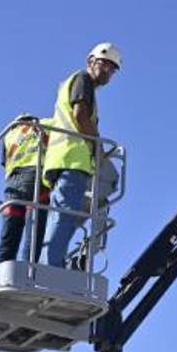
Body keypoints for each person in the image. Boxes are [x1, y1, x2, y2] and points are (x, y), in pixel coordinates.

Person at [40, 42, 122, 268]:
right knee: (64, 217)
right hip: (72, 162)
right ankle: (51, 268)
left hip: (66, 160)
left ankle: (49, 264)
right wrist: (97, 147)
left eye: (111, 69)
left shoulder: (75, 85)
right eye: (104, 64)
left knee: (62, 218)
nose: (107, 71)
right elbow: (80, 116)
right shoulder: (82, 80)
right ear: (90, 62)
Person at [0, 114, 53, 267]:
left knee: (9, 234)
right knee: (33, 232)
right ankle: (28, 269)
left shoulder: (9, 135)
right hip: (34, 177)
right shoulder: (45, 125)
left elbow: (4, 162)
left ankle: (0, 269)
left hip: (12, 184)